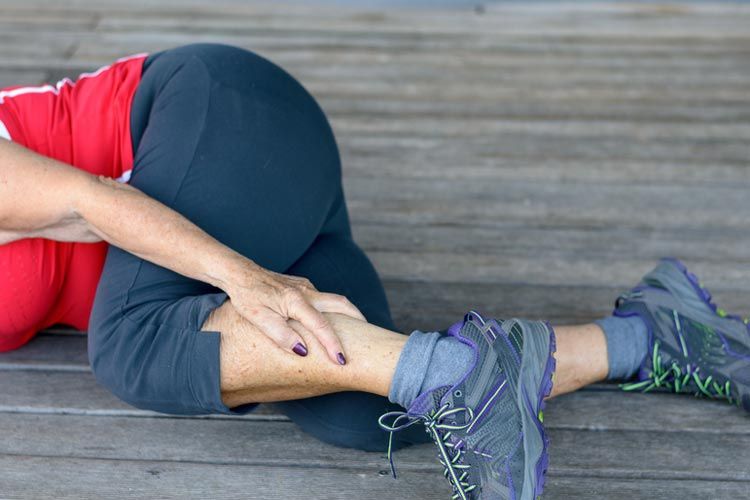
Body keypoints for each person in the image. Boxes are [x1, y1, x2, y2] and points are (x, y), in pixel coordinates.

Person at [1, 44, 747, 500]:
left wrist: (244, 279)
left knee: (130, 347)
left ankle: (456, 375)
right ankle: (650, 336)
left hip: (219, 121)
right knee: (365, 414)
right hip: (237, 228)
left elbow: (85, 205)